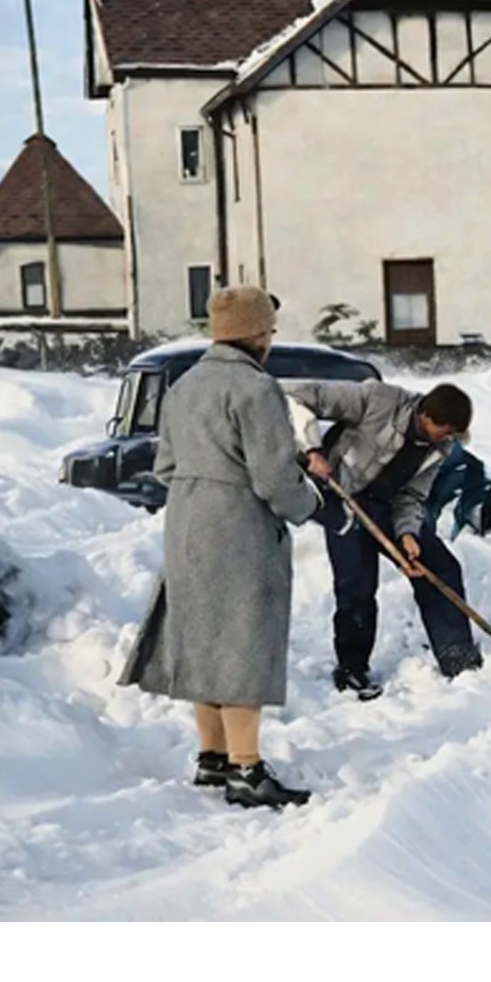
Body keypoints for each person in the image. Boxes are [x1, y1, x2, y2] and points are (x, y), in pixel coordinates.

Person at [118, 285, 323, 810]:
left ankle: (211, 758)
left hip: (187, 526)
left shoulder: (184, 387)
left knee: (204, 641)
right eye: (270, 332)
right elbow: (274, 480)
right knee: (242, 647)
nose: (271, 341)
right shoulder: (256, 391)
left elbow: (164, 467)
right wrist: (310, 503)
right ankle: (248, 771)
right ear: (257, 334)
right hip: (239, 530)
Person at [283, 377, 484, 699]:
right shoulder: (377, 400)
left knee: (441, 567)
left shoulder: (439, 447)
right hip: (343, 499)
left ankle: (456, 655)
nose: (447, 439)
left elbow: (412, 496)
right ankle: (352, 671)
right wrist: (312, 449)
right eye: (443, 430)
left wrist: (407, 534)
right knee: (357, 588)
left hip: (387, 507)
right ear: (426, 417)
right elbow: (299, 397)